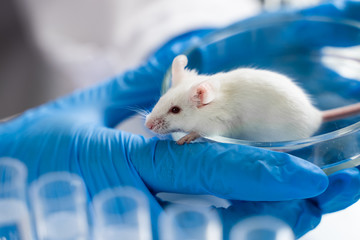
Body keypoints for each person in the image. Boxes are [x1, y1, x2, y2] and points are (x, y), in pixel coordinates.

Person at [1, 1, 360, 239]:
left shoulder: (209, 105)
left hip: (283, 125)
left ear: (201, 98)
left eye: (171, 111)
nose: (154, 121)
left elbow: (219, 121)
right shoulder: (195, 97)